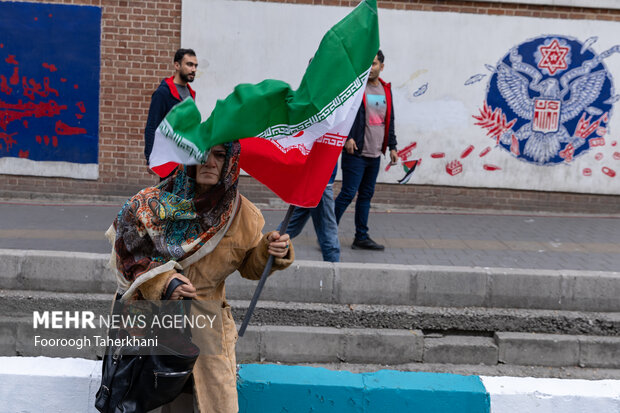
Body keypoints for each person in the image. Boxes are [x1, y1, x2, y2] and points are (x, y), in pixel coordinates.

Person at [108, 141, 294, 413]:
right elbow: (131, 256)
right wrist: (163, 282)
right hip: (154, 321)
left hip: (207, 329)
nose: (209, 162)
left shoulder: (244, 216)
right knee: (152, 400)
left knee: (211, 402)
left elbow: (250, 266)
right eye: (201, 154)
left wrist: (271, 251)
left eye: (219, 155)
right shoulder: (154, 205)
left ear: (230, 162)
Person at [334, 49, 398, 251]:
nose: (370, 68)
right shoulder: (356, 88)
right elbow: (344, 115)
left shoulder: (385, 90)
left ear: (382, 66)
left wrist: (393, 146)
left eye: (374, 64)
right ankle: (327, 232)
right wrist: (347, 137)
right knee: (348, 193)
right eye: (368, 64)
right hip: (356, 152)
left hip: (375, 153)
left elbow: (389, 120)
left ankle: (361, 237)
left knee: (366, 196)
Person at [144, 48, 198, 169]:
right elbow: (152, 126)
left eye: (195, 66)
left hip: (186, 158)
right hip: (167, 158)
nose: (193, 69)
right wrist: (150, 158)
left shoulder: (191, 94)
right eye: (189, 64)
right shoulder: (163, 92)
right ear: (177, 65)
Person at [279, 164, 340, 262]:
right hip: (321, 180)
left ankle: (263, 250)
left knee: (291, 226)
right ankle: (333, 274)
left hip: (314, 178)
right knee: (329, 235)